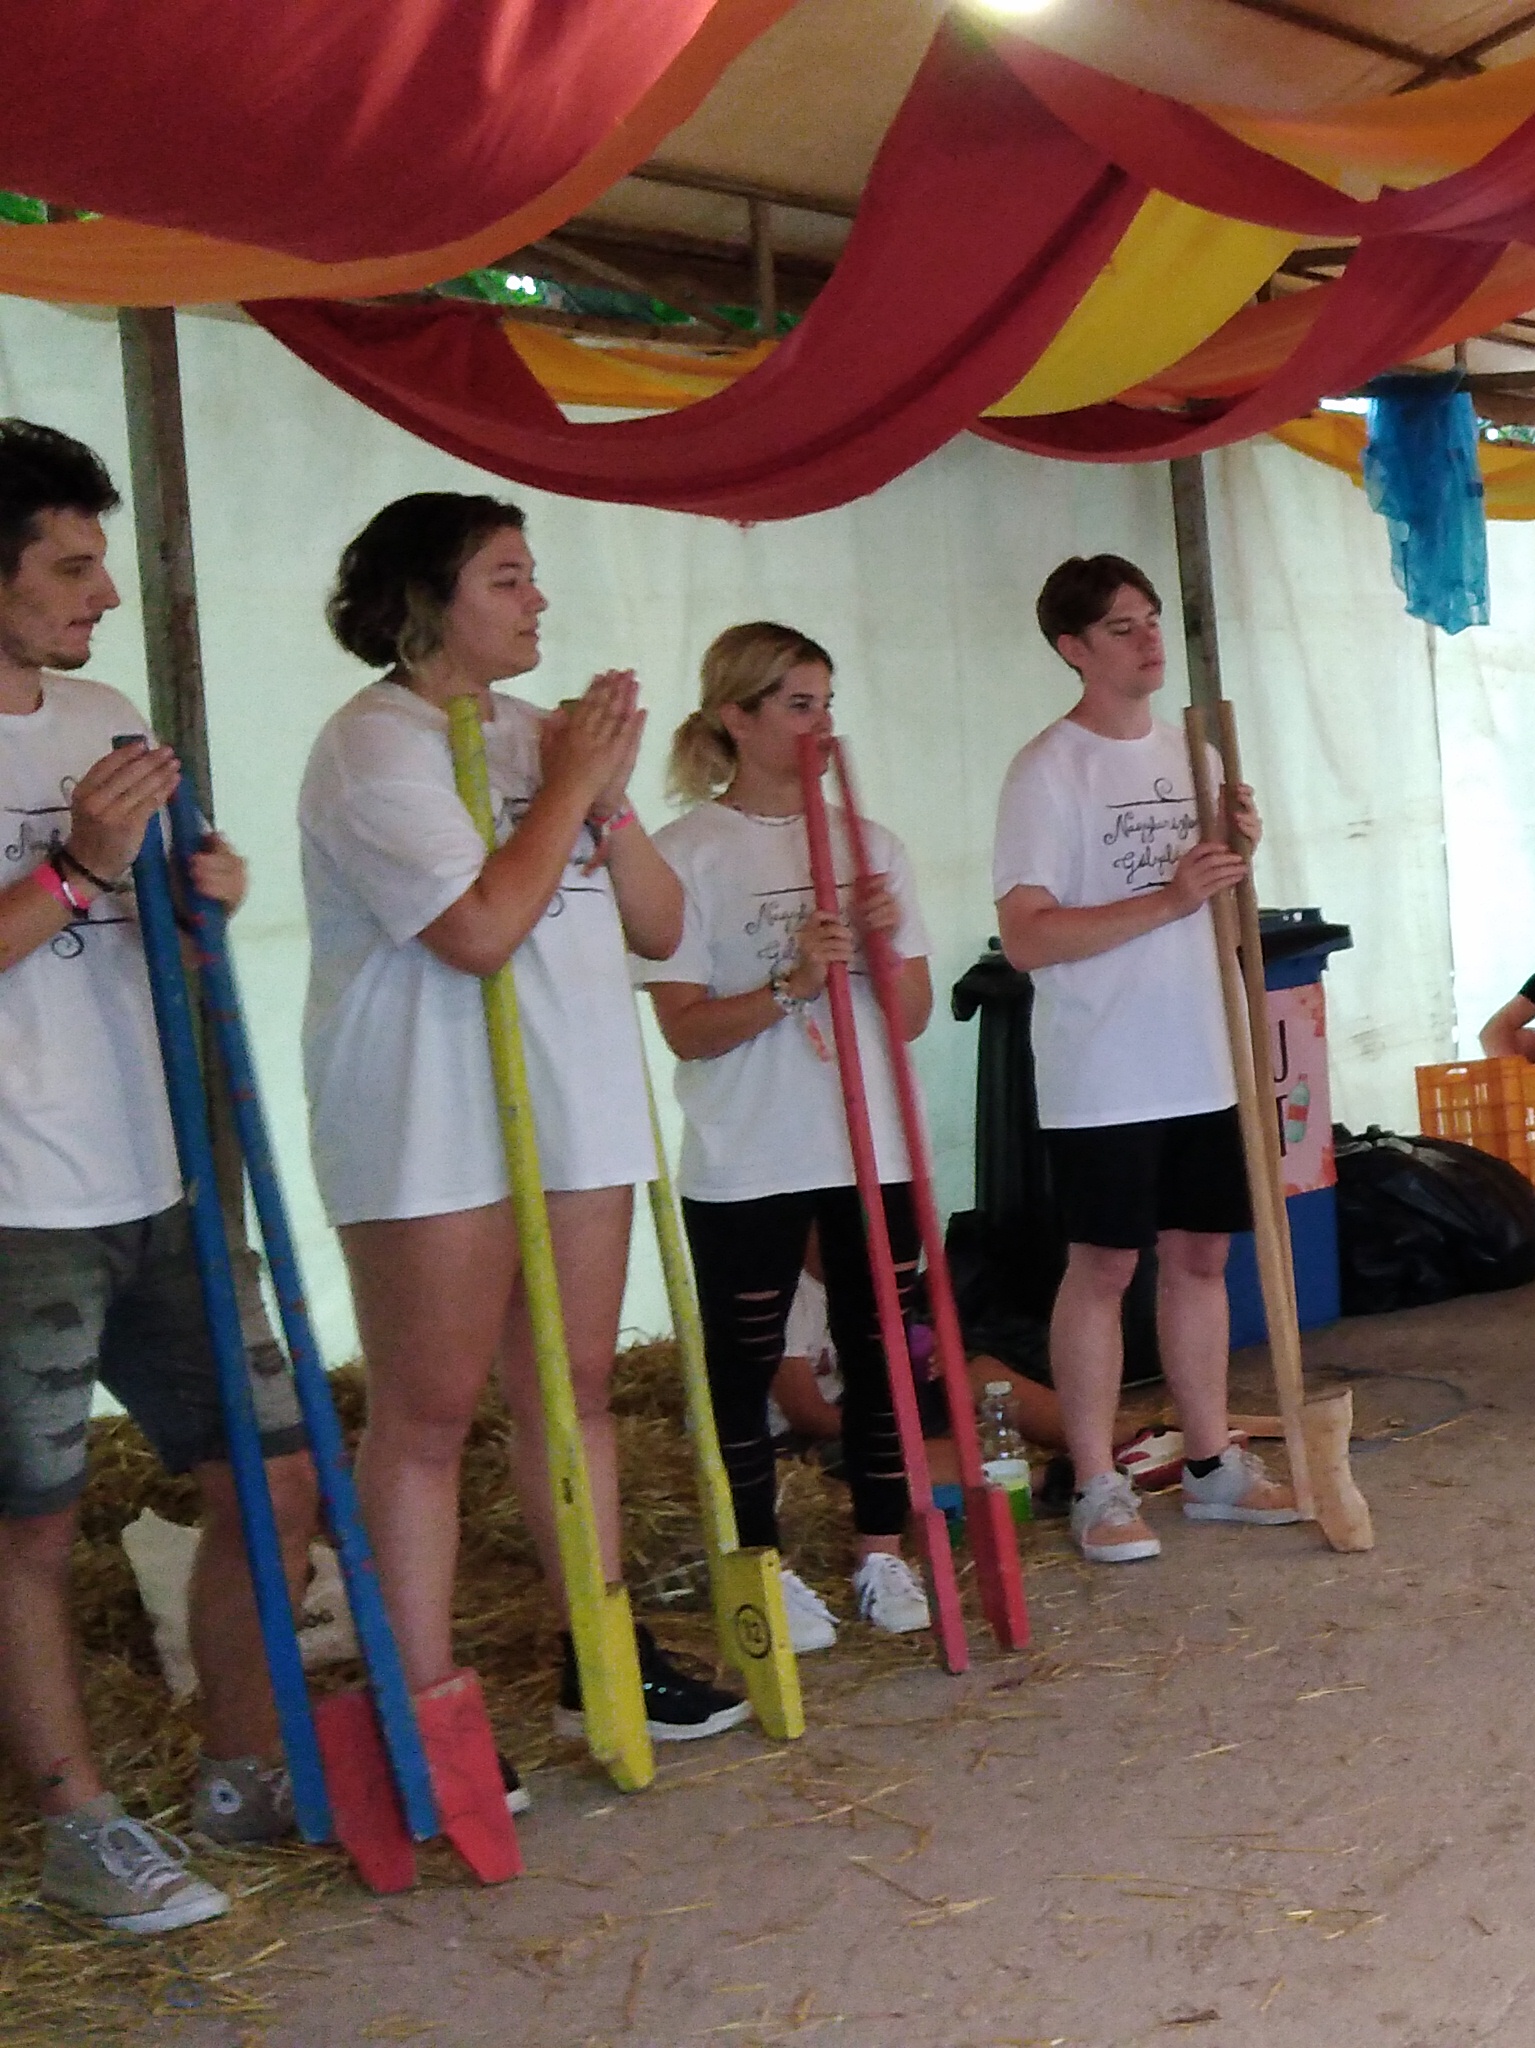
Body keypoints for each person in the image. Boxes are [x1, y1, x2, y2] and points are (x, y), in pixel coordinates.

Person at [298, 493, 740, 1764]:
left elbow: (661, 925)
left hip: (572, 1097)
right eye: (505, 578)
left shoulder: (541, 733)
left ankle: (597, 1650)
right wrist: (569, 786)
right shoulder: (372, 745)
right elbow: (479, 928)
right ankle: (421, 1700)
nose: (537, 598)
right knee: (428, 1411)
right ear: (423, 602)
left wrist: (603, 796)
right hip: (429, 1115)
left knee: (577, 1387)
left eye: (533, 575)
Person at [0, 422, 316, 1934]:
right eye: (71, 564)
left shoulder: (104, 715)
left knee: (277, 1468)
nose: (106, 593)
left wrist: (205, 898)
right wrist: (73, 869)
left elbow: (143, 925)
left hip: (161, 1173)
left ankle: (245, 1768)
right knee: (32, 1525)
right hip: (16, 1201)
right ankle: (79, 1824)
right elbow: (69, 892)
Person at [988, 556, 1299, 1563]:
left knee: (1202, 1255)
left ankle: (1210, 1461)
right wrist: (1169, 896)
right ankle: (1094, 1479)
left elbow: (1218, 895)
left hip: (1200, 1045)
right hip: (1104, 1062)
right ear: (1073, 649)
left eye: (1152, 619)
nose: (1148, 639)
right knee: (1105, 1264)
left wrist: (1235, 849)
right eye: (1121, 627)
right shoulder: (1047, 769)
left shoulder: (1193, 752)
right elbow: (1026, 935)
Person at [641, 623, 942, 1643]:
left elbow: (910, 1016)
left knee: (882, 1346)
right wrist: (792, 982)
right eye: (798, 705)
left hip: (870, 1143)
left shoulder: (871, 846)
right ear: (737, 715)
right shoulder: (684, 853)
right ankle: (759, 1566)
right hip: (747, 1148)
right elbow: (684, 1029)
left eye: (827, 703)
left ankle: (881, 1552)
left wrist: (881, 945)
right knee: (743, 1359)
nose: (821, 726)